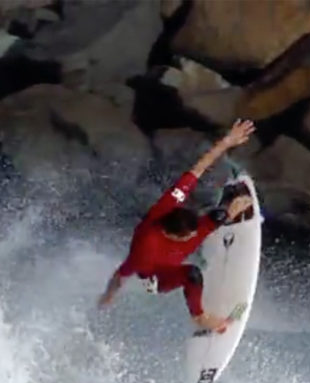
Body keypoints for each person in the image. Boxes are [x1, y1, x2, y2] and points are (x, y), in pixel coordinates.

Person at [97, 119, 256, 333]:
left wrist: (228, 141)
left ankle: (231, 213)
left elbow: (198, 169)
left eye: (192, 234)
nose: (192, 237)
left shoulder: (170, 203)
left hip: (176, 246)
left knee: (217, 215)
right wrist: (109, 295)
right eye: (186, 236)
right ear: (169, 234)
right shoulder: (145, 249)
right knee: (192, 273)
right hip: (160, 276)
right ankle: (200, 317)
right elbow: (121, 274)